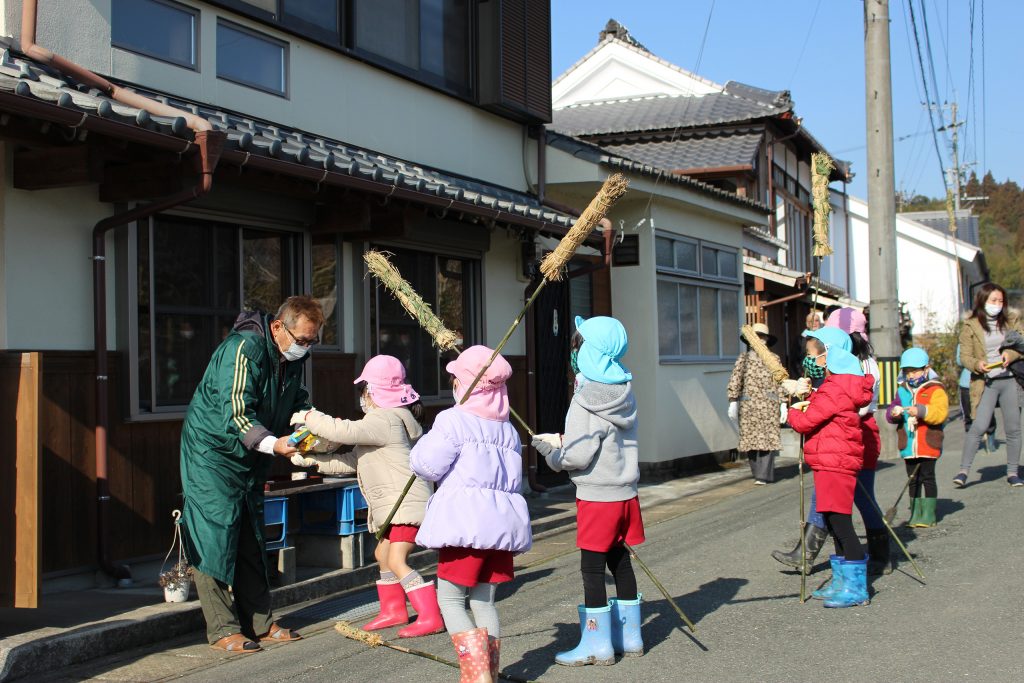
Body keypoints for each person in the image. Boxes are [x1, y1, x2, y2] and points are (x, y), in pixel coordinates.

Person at [179, 296, 323, 653]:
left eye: (311, 341)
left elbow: (298, 403)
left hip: (251, 457)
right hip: (212, 454)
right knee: (213, 536)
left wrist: (317, 427)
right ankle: (223, 628)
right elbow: (237, 412)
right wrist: (274, 445)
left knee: (251, 536)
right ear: (278, 327)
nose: (304, 348)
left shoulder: (291, 359)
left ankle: (260, 623)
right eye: (301, 340)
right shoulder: (243, 349)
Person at [291, 355, 442, 638]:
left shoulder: (384, 419)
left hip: (406, 506)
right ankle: (393, 610)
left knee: (397, 559)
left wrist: (309, 416)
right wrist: (311, 461)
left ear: (373, 392)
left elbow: (343, 431)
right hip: (398, 507)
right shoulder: (387, 422)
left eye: (364, 390)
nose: (362, 397)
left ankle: (429, 615)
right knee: (382, 554)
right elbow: (351, 461)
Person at [409, 346, 532, 681]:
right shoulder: (507, 428)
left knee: (450, 600)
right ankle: (489, 671)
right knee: (484, 603)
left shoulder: (453, 419)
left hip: (465, 526)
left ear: (465, 384)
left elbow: (427, 465)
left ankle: (478, 676)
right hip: (500, 530)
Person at [533, 316, 644, 666]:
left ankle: (597, 645)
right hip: (626, 493)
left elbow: (577, 456)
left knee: (591, 569)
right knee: (619, 561)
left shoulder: (584, 399)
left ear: (587, 352)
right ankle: (631, 637)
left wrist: (551, 453)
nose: (573, 353)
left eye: (576, 346)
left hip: (598, 497)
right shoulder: (623, 389)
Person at [787, 327, 875, 608]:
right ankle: (842, 580)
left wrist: (791, 407)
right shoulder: (837, 386)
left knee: (841, 523)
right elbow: (819, 406)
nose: (810, 358)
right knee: (834, 521)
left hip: (835, 463)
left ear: (829, 355)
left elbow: (805, 421)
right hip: (831, 461)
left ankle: (856, 586)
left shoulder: (836, 388)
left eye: (813, 352)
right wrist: (808, 395)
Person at [954, 283, 1024, 488]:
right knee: (978, 426)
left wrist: (1010, 355)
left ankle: (1013, 472)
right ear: (983, 301)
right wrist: (977, 364)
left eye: (1001, 301)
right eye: (994, 300)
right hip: (985, 382)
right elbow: (965, 356)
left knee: (1013, 428)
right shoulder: (970, 325)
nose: (998, 305)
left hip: (1010, 379)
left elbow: (1022, 344)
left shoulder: (1011, 320)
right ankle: (963, 471)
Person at [886, 348, 948, 527]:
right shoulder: (902, 390)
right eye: (907, 372)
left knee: (927, 477)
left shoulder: (935, 389)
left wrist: (921, 411)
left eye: (915, 371)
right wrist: (894, 413)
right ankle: (915, 513)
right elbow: (892, 410)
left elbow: (940, 412)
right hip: (908, 443)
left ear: (926, 369)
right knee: (912, 479)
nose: (911, 375)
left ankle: (928, 514)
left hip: (928, 442)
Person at [726, 323, 788, 484]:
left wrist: (783, 403)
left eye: (763, 336)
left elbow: (781, 381)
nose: (761, 340)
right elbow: (736, 380)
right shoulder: (743, 359)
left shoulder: (774, 359)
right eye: (758, 336)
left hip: (769, 404)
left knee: (767, 441)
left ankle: (764, 475)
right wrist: (733, 401)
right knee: (750, 441)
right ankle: (757, 472)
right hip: (748, 405)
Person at [957, 343, 998, 452]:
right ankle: (972, 442)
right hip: (966, 384)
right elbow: (959, 360)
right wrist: (972, 360)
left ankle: (990, 435)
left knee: (988, 412)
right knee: (968, 415)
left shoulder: (984, 340)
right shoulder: (963, 342)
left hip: (984, 382)